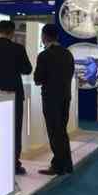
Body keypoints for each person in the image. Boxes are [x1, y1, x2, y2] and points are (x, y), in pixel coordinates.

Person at [0, 20, 33, 175]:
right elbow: (27, 69)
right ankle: (14, 164)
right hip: (14, 94)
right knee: (15, 130)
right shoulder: (18, 49)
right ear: (12, 32)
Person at [34, 24, 75, 175]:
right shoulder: (68, 54)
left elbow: (38, 79)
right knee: (62, 131)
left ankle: (58, 165)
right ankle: (66, 164)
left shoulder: (44, 55)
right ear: (57, 36)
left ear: (44, 36)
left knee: (54, 132)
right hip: (65, 96)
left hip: (50, 98)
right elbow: (71, 73)